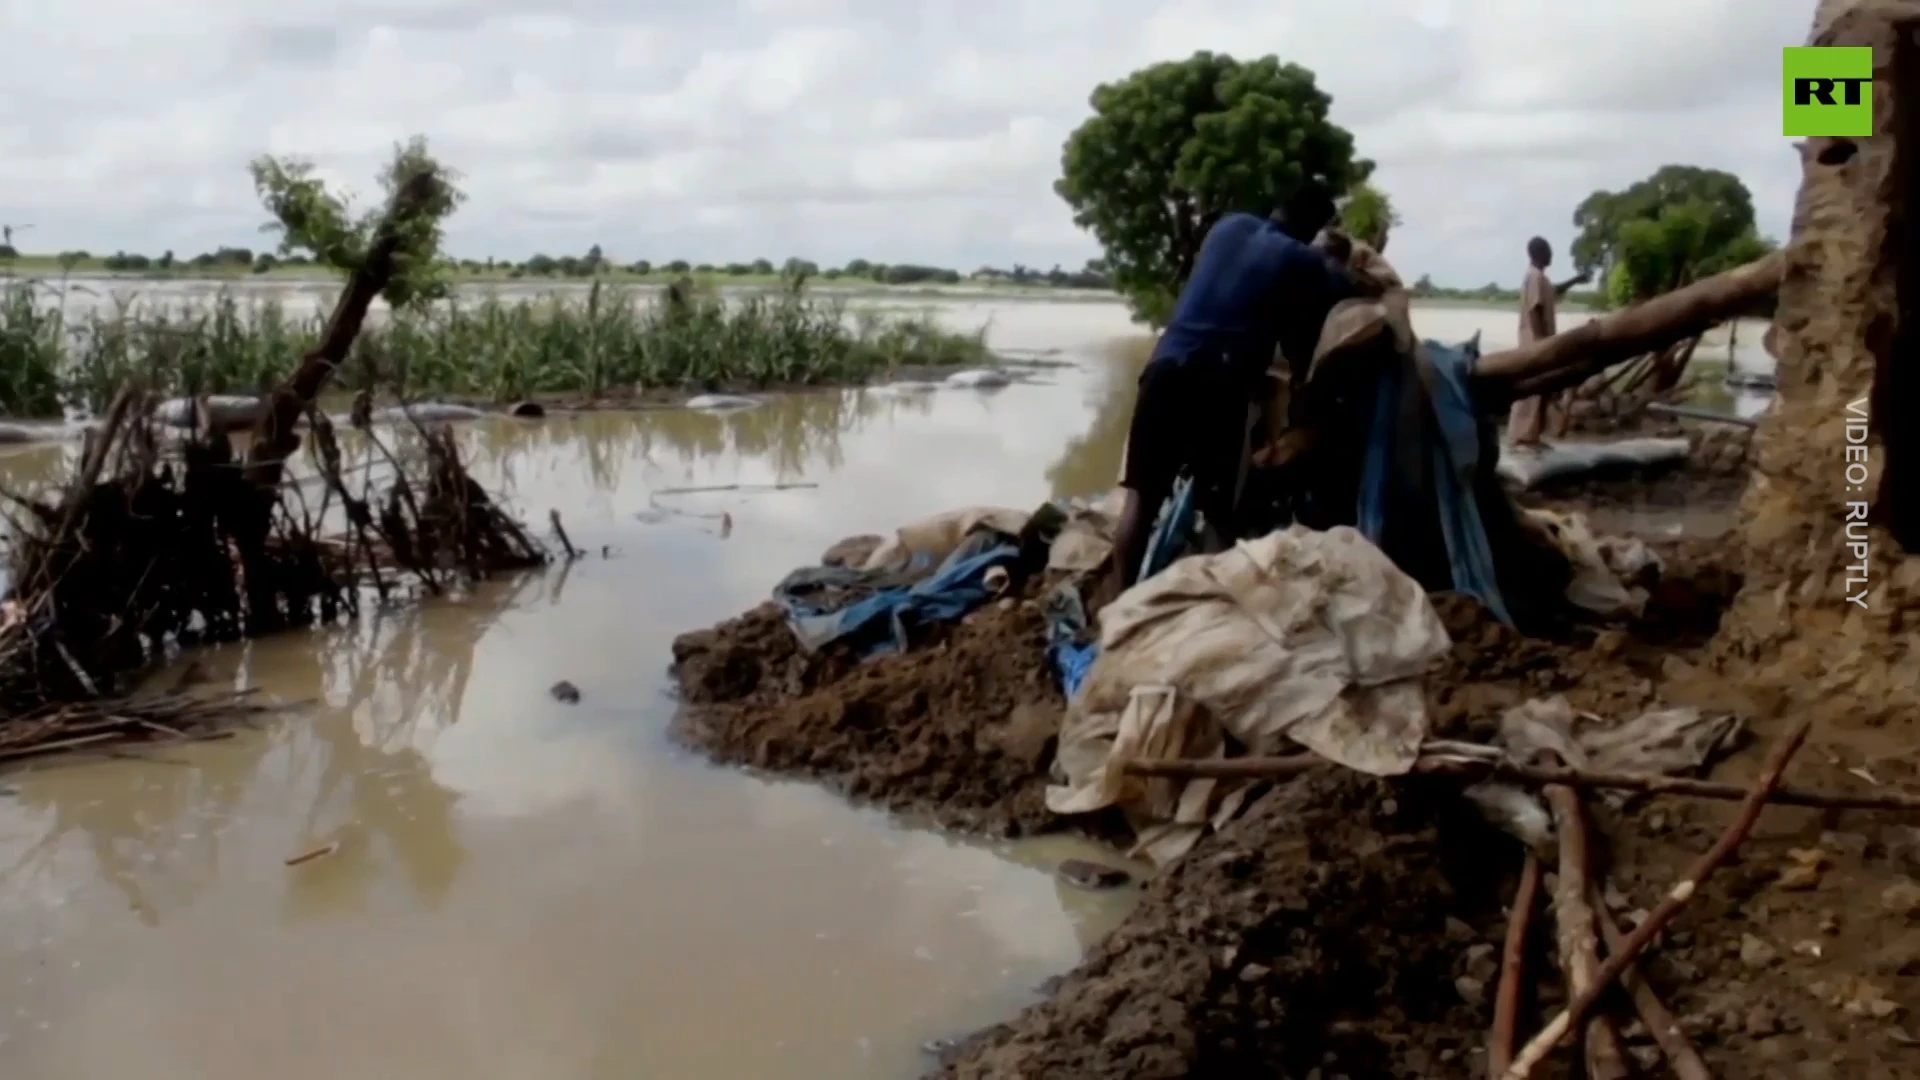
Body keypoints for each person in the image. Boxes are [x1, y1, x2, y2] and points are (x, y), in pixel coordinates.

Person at [1096, 187, 1356, 607]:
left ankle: (1116, 605)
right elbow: (1345, 292)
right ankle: (1212, 608)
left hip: (1164, 368)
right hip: (1218, 381)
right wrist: (1333, 259)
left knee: (1141, 500)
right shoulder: (1303, 259)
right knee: (1218, 506)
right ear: (1312, 230)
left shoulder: (1227, 226)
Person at [1506, 237, 1590, 445]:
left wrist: (1576, 280)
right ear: (1539, 253)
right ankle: (1522, 436)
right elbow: (1535, 310)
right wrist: (1542, 343)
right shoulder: (1534, 277)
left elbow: (1554, 291)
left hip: (1538, 342)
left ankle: (1531, 435)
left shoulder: (1540, 278)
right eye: (1549, 251)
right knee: (1531, 392)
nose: (1552, 255)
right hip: (1535, 342)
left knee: (1540, 390)